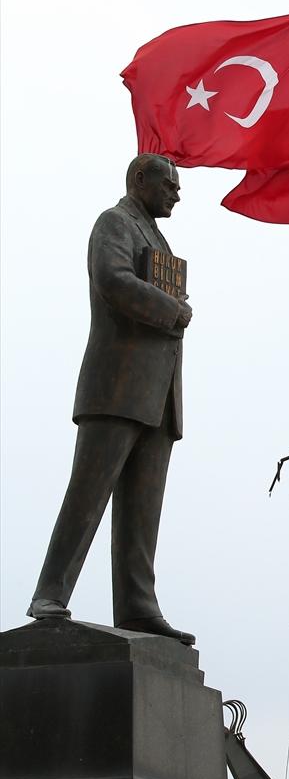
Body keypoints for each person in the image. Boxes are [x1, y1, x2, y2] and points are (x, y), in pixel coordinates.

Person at [28, 154, 195, 644]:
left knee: (143, 511)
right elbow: (113, 280)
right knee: (87, 494)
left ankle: (138, 605)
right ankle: (50, 593)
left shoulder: (157, 237)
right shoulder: (114, 223)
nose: (176, 194)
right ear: (140, 179)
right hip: (116, 384)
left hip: (159, 395)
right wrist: (174, 310)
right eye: (170, 184)